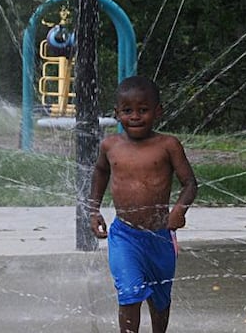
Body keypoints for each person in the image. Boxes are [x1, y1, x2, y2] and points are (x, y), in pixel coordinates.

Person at [88, 75, 198, 333]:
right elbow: (100, 173)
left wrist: (179, 210)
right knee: (129, 293)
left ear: (157, 112)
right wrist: (93, 210)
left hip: (160, 236)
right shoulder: (110, 146)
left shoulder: (168, 145)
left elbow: (190, 184)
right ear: (117, 114)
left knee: (160, 300)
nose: (135, 116)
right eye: (127, 111)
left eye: (143, 110)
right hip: (124, 235)